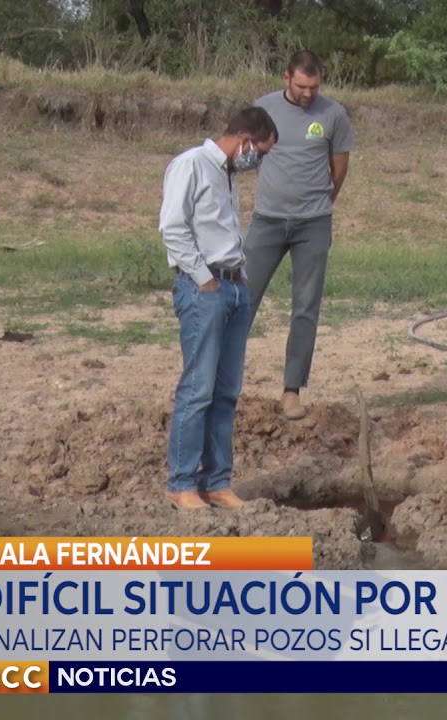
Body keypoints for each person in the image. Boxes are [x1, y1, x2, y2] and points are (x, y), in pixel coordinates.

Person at [159, 107, 278, 511]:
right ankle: (181, 482)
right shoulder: (190, 164)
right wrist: (203, 279)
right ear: (244, 140)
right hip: (204, 289)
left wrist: (238, 277)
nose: (257, 162)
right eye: (259, 153)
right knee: (198, 388)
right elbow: (173, 226)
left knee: (226, 392)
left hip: (233, 288)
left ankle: (217, 481)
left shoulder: (227, 175)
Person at [244, 49, 356, 421]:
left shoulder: (333, 114)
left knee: (305, 308)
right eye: (302, 86)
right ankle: (222, 382)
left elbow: (339, 168)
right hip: (267, 221)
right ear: (286, 78)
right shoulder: (263, 108)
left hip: (313, 224)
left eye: (315, 86)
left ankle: (292, 390)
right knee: (241, 300)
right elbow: (250, 155)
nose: (309, 94)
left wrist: (321, 205)